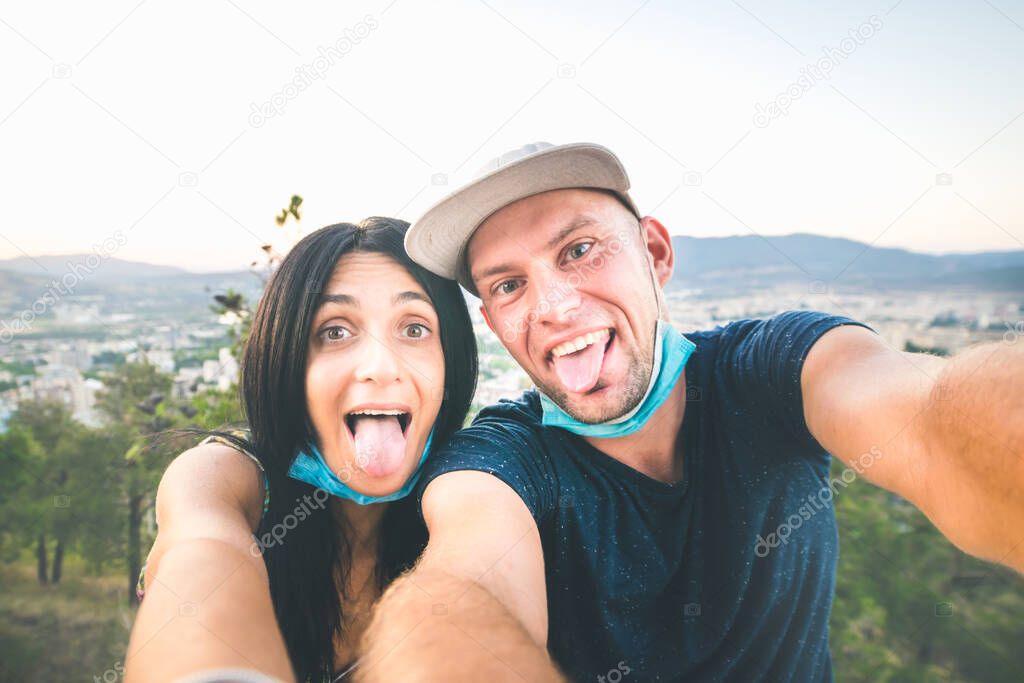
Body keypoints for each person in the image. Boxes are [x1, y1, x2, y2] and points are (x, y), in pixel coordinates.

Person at [359, 142, 1024, 681]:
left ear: (655, 252)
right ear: (495, 323)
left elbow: (930, 418)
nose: (554, 306)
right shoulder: (505, 459)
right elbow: (460, 590)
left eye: (579, 249)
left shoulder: (772, 370)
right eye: (509, 284)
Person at [124, 217, 478, 682]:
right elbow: (203, 548)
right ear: (286, 362)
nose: (380, 365)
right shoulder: (223, 476)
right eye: (335, 331)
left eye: (414, 329)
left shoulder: (471, 486)